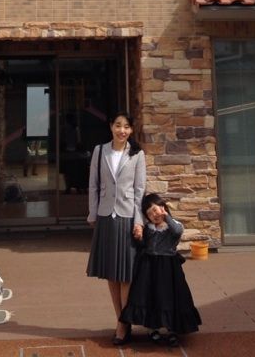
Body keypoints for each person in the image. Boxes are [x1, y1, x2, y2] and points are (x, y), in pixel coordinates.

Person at [86, 111, 146, 345]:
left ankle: (123, 322)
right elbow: (93, 185)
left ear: (131, 130)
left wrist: (139, 221)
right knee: (111, 274)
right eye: (118, 125)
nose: (122, 130)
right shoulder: (100, 151)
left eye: (126, 127)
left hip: (127, 217)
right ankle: (121, 320)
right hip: (105, 217)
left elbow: (139, 191)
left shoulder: (137, 154)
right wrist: (92, 213)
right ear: (111, 126)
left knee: (126, 274)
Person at [119, 193, 201, 346]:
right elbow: (144, 244)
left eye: (156, 210)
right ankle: (153, 329)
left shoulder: (172, 225)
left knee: (169, 297)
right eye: (150, 214)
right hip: (149, 267)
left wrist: (166, 217)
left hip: (168, 268)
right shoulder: (150, 228)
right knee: (151, 296)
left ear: (163, 208)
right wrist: (139, 237)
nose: (154, 215)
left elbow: (177, 232)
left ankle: (172, 330)